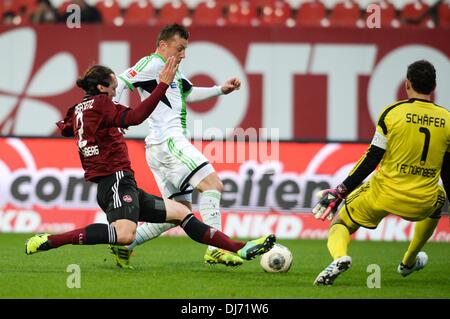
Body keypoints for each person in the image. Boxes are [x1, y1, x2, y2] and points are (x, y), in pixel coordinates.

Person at [24, 60, 276, 263]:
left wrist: (93, 131)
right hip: (115, 181)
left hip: (122, 182)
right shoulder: (102, 103)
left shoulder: (79, 108)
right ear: (101, 88)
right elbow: (135, 117)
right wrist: (162, 85)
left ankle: (239, 248)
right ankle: (51, 240)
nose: (115, 92)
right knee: (123, 235)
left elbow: (65, 128)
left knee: (181, 212)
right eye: (113, 87)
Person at [111, 23, 243, 268]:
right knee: (212, 184)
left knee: (177, 211)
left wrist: (220, 90)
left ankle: (125, 244)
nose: (183, 54)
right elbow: (120, 82)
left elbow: (187, 93)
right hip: (169, 141)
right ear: (163, 45)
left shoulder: (172, 71)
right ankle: (216, 248)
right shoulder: (151, 64)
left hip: (159, 146)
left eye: (185, 49)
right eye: (179, 48)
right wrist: (115, 119)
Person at [312, 59, 450, 286]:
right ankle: (408, 261)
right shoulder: (447, 119)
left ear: (407, 84)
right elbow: (448, 167)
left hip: (383, 194)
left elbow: (371, 158)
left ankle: (340, 257)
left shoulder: (393, 112)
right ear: (434, 87)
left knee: (340, 224)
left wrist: (341, 190)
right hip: (423, 201)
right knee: (439, 199)